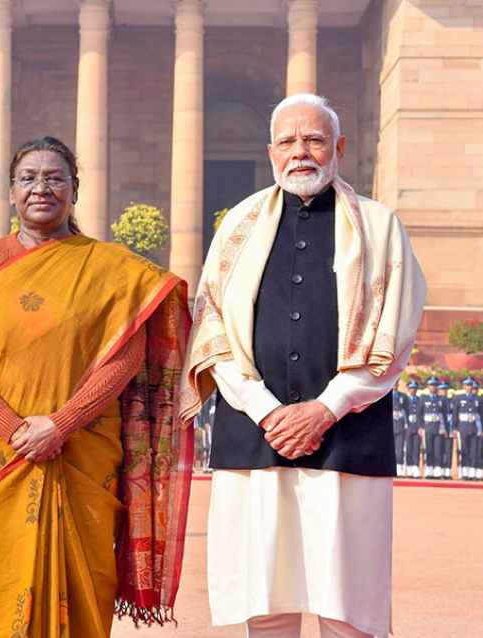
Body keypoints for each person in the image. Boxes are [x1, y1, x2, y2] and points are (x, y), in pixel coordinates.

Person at [178, 94, 427, 638]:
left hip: (348, 436)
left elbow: (395, 333)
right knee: (265, 602)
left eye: (314, 140)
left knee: (349, 607)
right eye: (287, 142)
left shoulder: (381, 229)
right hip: (255, 435)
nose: (300, 153)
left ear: (338, 147)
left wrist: (325, 408)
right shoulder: (238, 228)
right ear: (271, 151)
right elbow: (214, 330)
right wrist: (269, 411)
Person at [0, 136, 193, 637]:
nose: (41, 188)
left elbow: (126, 358)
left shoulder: (112, 269)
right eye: (28, 178)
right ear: (10, 191)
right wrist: (16, 430)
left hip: (82, 454)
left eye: (55, 177)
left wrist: (60, 424)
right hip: (2, 457)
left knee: (83, 589)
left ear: (75, 189)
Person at [417, 376, 448, 479]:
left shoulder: (441, 399)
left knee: (438, 450)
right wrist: (420, 427)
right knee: (428, 450)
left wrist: (446, 429)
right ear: (428, 386)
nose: (433, 387)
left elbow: (445, 415)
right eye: (431, 385)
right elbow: (419, 415)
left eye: (435, 385)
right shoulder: (423, 399)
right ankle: (429, 470)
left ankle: (437, 471)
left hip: (439, 427)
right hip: (428, 427)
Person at [452, 377, 481, 481]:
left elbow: (481, 415)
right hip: (463, 427)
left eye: (470, 385)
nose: (469, 387)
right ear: (464, 387)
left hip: (474, 427)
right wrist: (454, 428)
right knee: (464, 450)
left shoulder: (478, 399)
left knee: (474, 450)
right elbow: (455, 414)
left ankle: (473, 473)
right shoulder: (459, 398)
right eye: (467, 385)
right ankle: (464, 472)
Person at [405, 380, 421, 477]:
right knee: (409, 448)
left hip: (417, 427)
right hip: (408, 427)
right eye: (411, 388)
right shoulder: (405, 400)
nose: (413, 390)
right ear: (408, 389)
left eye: (414, 388)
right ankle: (409, 468)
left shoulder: (419, 400)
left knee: (416, 449)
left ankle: (416, 468)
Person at [438, 381, 453, 478]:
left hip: (450, 429)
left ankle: (447, 470)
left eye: (445, 389)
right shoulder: (437, 401)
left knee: (448, 451)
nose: (444, 391)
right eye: (442, 389)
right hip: (440, 429)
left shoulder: (451, 401)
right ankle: (440, 470)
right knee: (439, 450)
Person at [392, 381, 408, 477]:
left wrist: (407, 426)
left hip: (400, 426)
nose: (394, 386)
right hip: (390, 427)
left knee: (400, 449)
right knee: (390, 450)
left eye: (396, 384)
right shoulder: (387, 396)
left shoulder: (403, 397)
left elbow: (407, 411)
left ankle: (400, 470)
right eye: (393, 384)